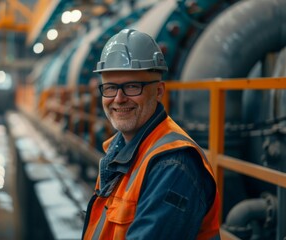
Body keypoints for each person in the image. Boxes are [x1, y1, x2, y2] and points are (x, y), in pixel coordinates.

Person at [82, 29, 220, 240]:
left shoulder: (173, 165)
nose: (118, 99)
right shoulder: (117, 150)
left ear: (158, 92)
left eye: (132, 87)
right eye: (109, 88)